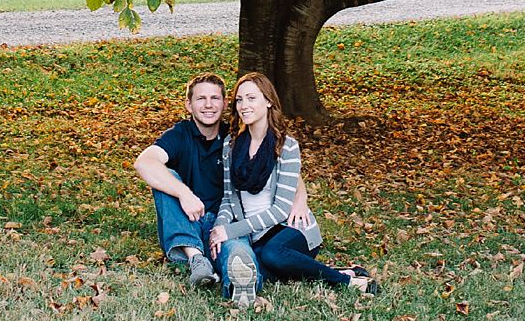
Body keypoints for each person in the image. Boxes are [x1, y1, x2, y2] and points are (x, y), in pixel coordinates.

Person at [210, 71, 376, 306]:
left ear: (268, 101)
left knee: (272, 254)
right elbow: (228, 198)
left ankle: (347, 281)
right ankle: (337, 270)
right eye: (239, 99)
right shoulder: (231, 145)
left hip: (291, 226)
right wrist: (219, 230)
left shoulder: (286, 146)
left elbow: (280, 210)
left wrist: (231, 231)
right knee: (256, 268)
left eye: (251, 98)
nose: (244, 105)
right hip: (256, 234)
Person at [133, 72, 312, 288]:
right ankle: (196, 258)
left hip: (225, 221)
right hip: (187, 219)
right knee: (165, 177)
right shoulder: (180, 134)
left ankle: (241, 282)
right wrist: (184, 194)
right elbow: (144, 162)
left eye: (215, 98)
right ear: (189, 105)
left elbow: (287, 169)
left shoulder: (235, 140)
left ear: (226, 104)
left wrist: (300, 197)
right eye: (201, 98)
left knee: (237, 252)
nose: (208, 105)